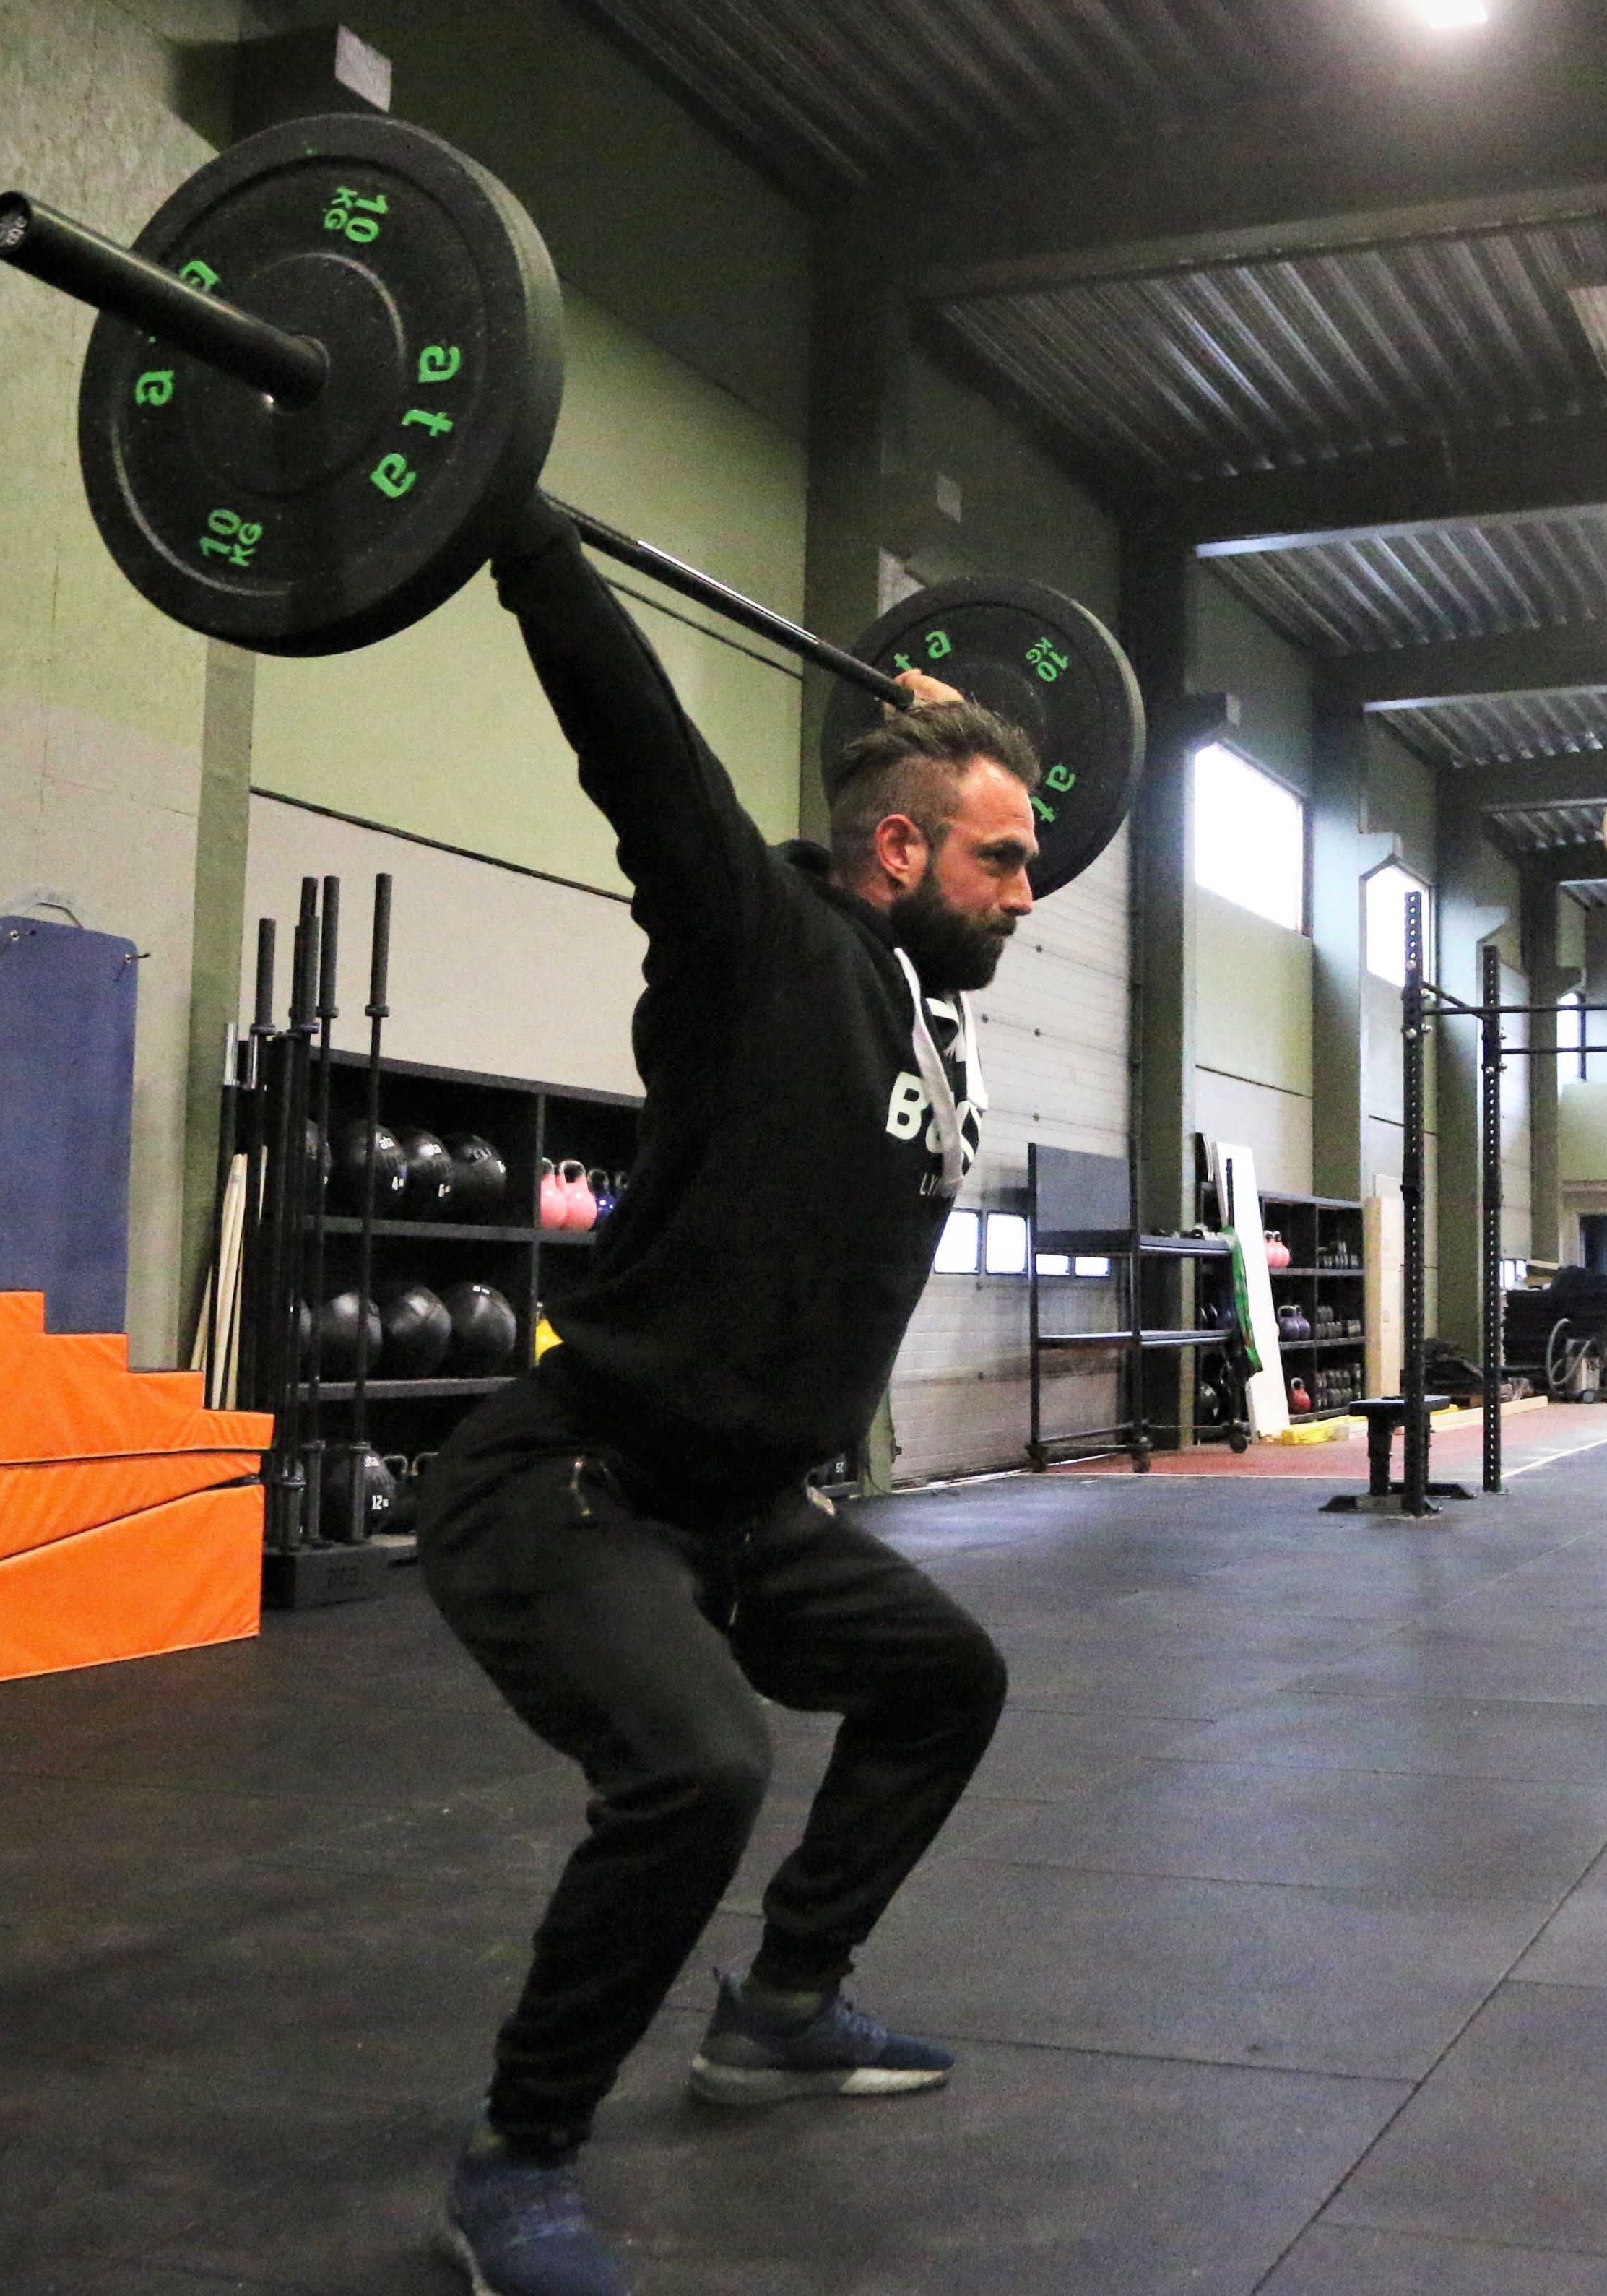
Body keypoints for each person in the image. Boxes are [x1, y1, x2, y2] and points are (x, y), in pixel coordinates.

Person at [412, 493, 1034, 2295]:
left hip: (752, 1512)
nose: (1027, 892)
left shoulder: (919, 997)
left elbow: (969, 814)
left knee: (945, 1681)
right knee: (697, 1770)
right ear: (899, 851)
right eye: (1003, 860)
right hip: (577, 1482)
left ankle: (781, 2006)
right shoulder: (756, 939)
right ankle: (518, 2157)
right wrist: (524, 541)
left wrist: (960, 727)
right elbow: (645, 758)